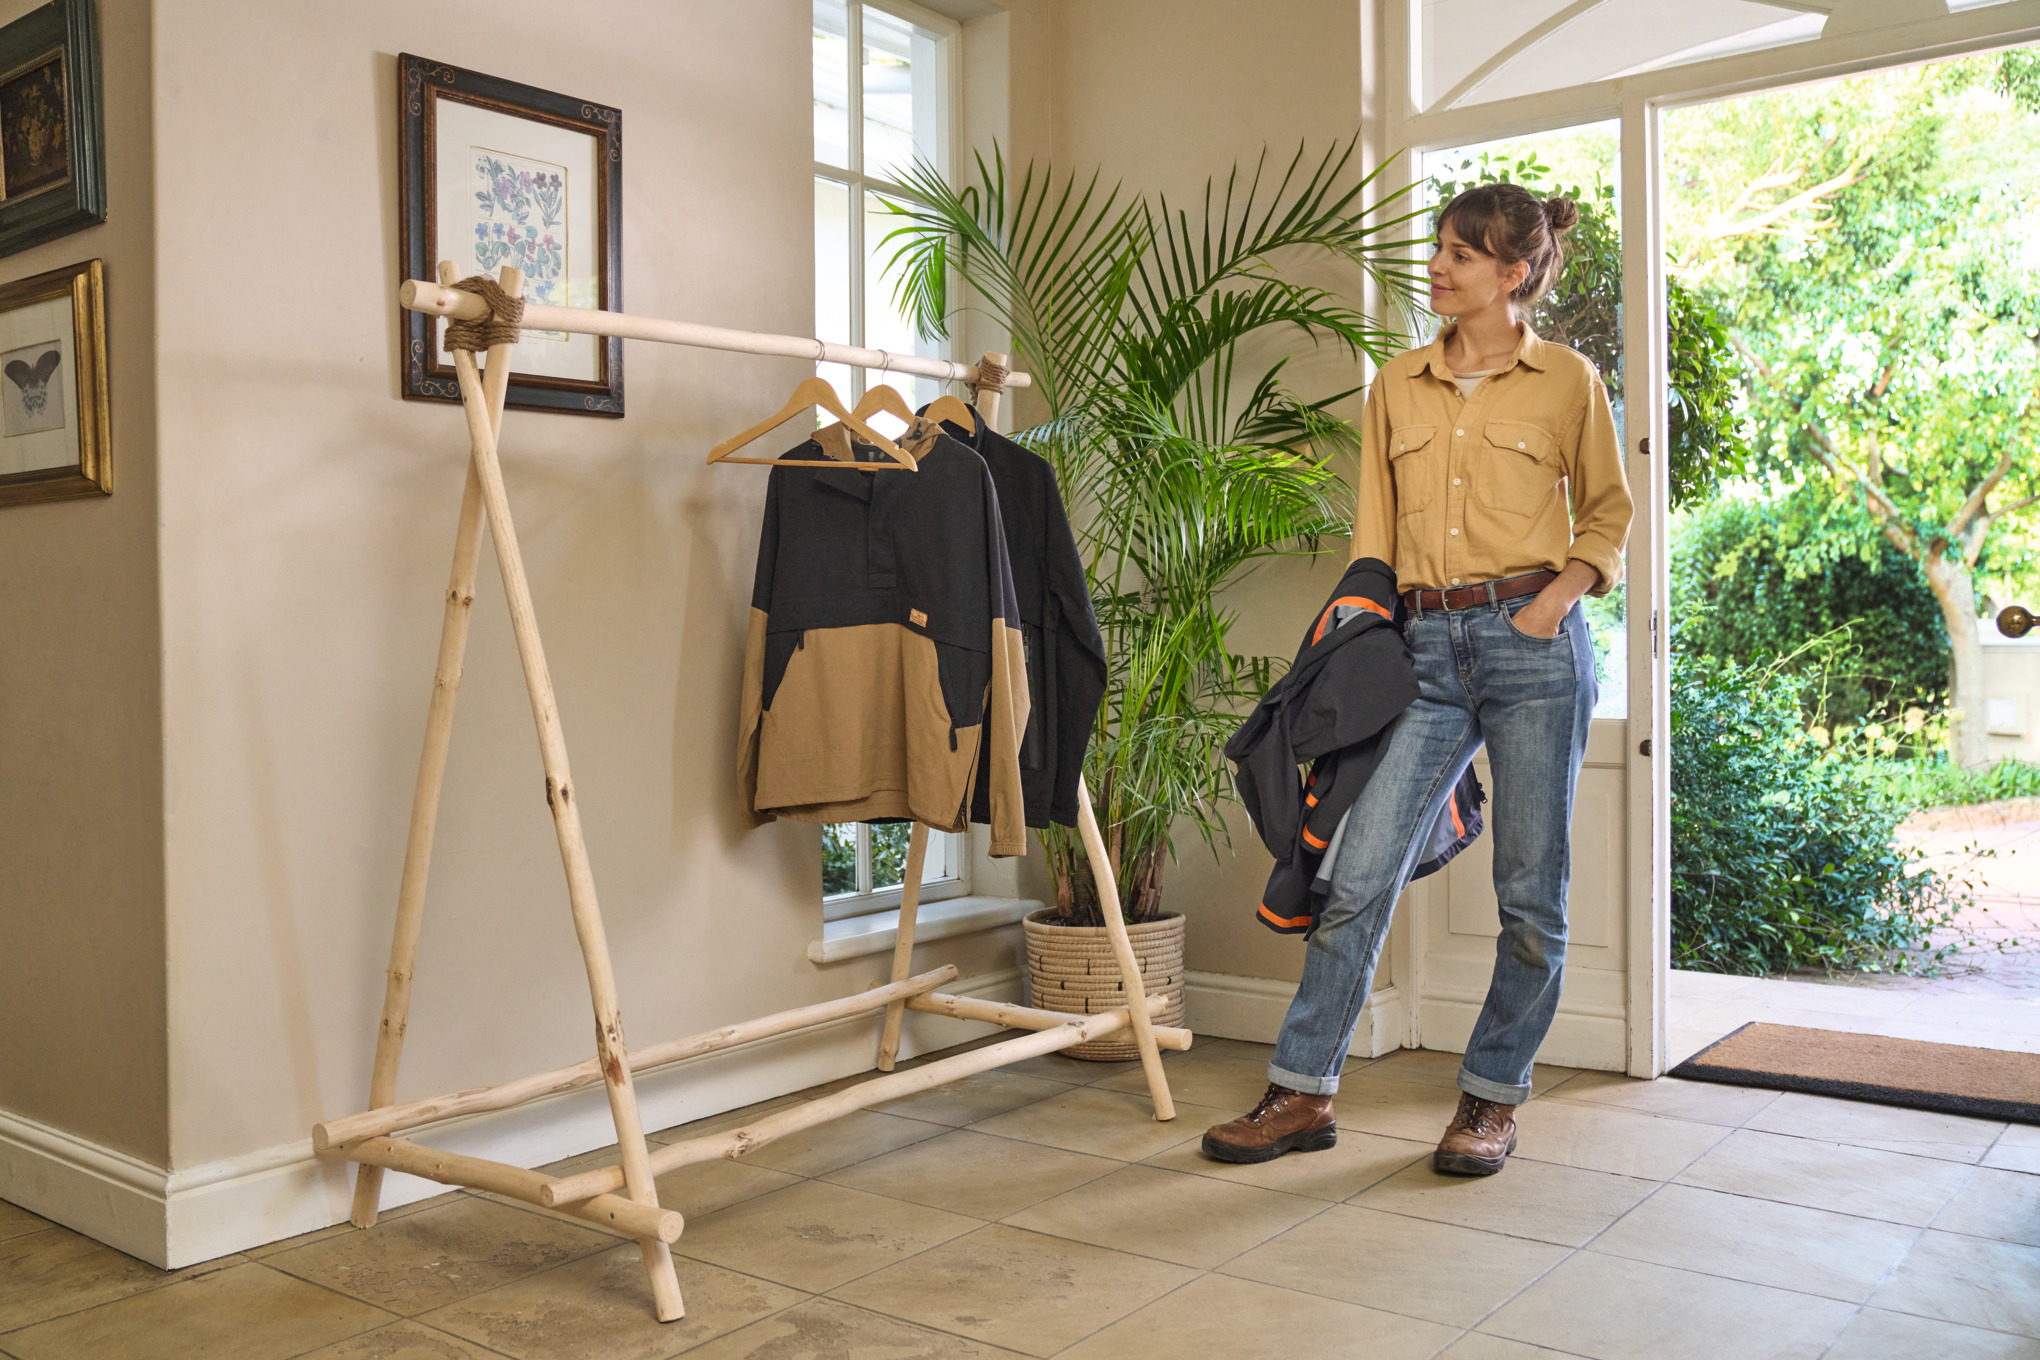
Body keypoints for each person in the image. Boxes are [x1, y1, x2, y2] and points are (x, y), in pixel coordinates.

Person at [1202, 183, 1634, 1176]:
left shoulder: (1566, 380)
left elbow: (1608, 515)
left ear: (1514, 272)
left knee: (1530, 890)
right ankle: (1302, 1090)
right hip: (1425, 652)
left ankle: (1489, 1100)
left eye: (1460, 255)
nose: (1437, 266)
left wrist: (1551, 602)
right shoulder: (1394, 384)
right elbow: (1374, 538)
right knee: (1356, 874)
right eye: (1440, 249)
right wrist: (1372, 643)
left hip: (1534, 645)